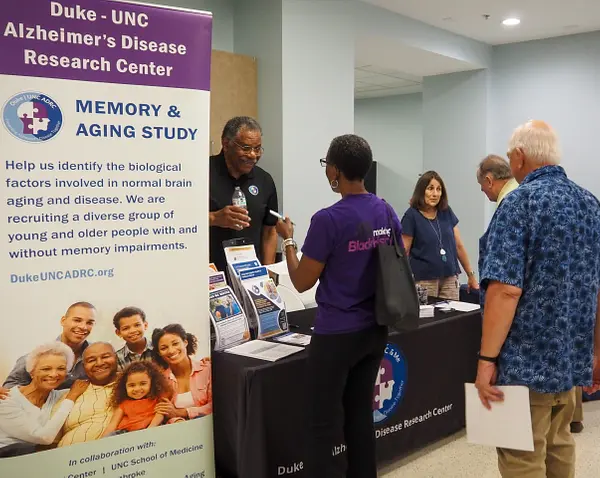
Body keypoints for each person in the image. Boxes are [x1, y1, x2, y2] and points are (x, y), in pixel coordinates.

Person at [476, 120, 600, 478]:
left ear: (518, 157)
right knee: (560, 445)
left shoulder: (519, 205)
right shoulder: (590, 205)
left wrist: (486, 360)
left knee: (521, 456)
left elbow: (505, 290)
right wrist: (595, 351)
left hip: (524, 365)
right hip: (570, 361)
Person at [274, 134, 394, 478]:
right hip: (374, 329)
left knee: (321, 423)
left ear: (336, 171)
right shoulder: (384, 209)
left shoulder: (328, 219)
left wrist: (288, 240)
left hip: (336, 334)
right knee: (358, 415)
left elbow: (301, 281)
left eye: (328, 166)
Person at [209, 116, 279, 272]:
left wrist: (267, 272)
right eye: (246, 148)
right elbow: (181, 221)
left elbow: (270, 230)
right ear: (226, 144)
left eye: (258, 148)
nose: (253, 155)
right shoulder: (202, 173)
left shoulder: (264, 180)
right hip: (209, 274)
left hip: (250, 274)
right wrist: (213, 218)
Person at [0, 343, 88, 458]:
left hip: (40, 460)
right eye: (46, 369)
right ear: (31, 372)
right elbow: (44, 437)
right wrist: (71, 397)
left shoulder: (60, 395)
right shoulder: (6, 400)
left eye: (61, 368)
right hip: (8, 460)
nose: (53, 374)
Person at [401, 172, 478, 300]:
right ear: (421, 191)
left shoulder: (446, 212)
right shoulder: (411, 216)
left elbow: (458, 246)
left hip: (449, 278)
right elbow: (404, 251)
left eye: (439, 189)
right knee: (428, 319)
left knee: (452, 318)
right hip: (423, 281)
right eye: (430, 189)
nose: (435, 194)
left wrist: (471, 275)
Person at [3, 302, 97, 389]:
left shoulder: (98, 354)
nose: (83, 327)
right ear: (63, 321)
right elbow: (9, 388)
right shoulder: (39, 356)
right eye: (77, 320)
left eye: (89, 323)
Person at [55, 342, 119, 447]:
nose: (99, 363)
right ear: (84, 366)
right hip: (69, 458)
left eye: (105, 357)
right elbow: (49, 441)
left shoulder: (134, 386)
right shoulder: (71, 395)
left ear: (116, 358)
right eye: (91, 360)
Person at [151, 324, 212, 420]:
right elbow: (164, 414)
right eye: (164, 348)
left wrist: (182, 412)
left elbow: (215, 406)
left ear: (185, 342)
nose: (171, 351)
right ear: (159, 353)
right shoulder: (161, 381)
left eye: (175, 344)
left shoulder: (207, 369)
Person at [101, 361, 172, 437]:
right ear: (124, 387)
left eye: (143, 384)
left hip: (150, 428)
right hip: (126, 433)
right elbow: (113, 424)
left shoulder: (157, 398)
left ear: (152, 383)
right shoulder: (124, 404)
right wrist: (102, 441)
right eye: (132, 385)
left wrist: (150, 429)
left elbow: (160, 414)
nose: (137, 389)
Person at [113, 306, 153, 371]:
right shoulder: (118, 358)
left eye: (137, 325)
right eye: (126, 328)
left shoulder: (158, 348)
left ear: (145, 325)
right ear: (118, 333)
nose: (133, 331)